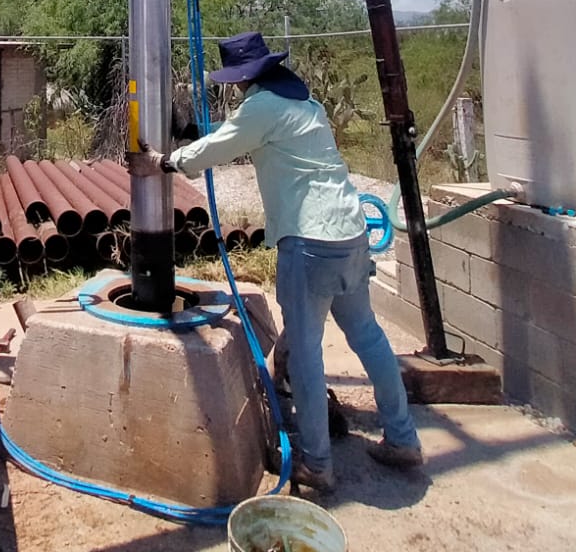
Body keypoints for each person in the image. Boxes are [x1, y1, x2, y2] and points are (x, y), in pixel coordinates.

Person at [148, 31, 424, 490]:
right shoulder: (304, 104)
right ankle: (403, 438)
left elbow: (218, 149)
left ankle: (317, 462)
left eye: (235, 81)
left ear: (244, 78)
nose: (234, 88)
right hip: (350, 235)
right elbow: (237, 141)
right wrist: (195, 144)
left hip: (310, 241)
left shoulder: (261, 108)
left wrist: (164, 162)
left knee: (308, 356)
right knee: (368, 336)